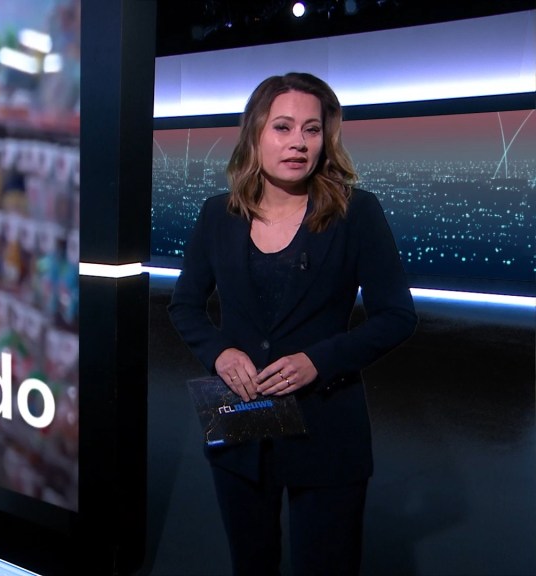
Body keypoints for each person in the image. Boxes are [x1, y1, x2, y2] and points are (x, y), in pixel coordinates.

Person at [168, 72, 417, 575]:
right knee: (250, 564)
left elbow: (397, 316)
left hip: (326, 426)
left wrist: (318, 361)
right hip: (241, 422)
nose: (299, 142)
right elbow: (185, 306)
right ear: (255, 134)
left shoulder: (356, 212)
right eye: (282, 127)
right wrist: (219, 352)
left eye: (312, 129)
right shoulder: (218, 215)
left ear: (326, 139)